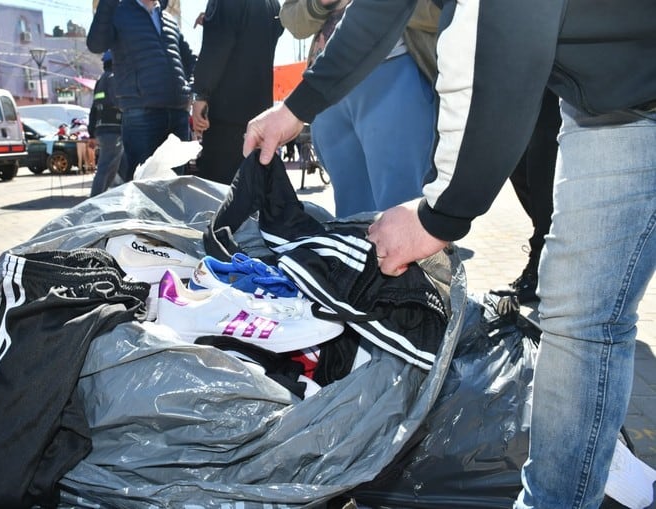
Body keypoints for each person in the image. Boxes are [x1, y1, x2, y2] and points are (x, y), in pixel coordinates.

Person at [242, 1, 656, 508]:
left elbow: (494, 55)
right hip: (601, 100)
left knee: (589, 318)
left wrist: (439, 217)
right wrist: (296, 108)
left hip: (639, 93)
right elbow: (380, 9)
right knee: (575, 316)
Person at [280, 0, 439, 217]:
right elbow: (292, 21)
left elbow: (443, 11)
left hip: (394, 71)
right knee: (350, 215)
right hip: (327, 88)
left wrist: (381, 9)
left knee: (402, 208)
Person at [87, 0, 197, 180]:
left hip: (178, 114)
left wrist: (189, 89)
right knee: (144, 187)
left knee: (176, 186)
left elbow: (190, 60)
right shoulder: (119, 12)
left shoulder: (168, 19)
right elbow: (96, 45)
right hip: (142, 113)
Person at [190, 0, 283, 185]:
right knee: (253, 189)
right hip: (258, 114)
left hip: (225, 118)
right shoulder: (272, 4)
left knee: (220, 194)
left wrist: (200, 94)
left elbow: (217, 47)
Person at [499, 88, 561, 304]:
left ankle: (542, 266)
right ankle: (547, 252)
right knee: (518, 167)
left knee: (544, 170)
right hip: (532, 81)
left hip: (563, 86)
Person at [88, 50, 126, 197]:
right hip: (113, 130)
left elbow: (93, 109)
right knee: (105, 168)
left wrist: (92, 132)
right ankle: (94, 200)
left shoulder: (101, 80)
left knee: (119, 168)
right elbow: (119, 102)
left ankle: (118, 197)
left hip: (104, 130)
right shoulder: (114, 78)